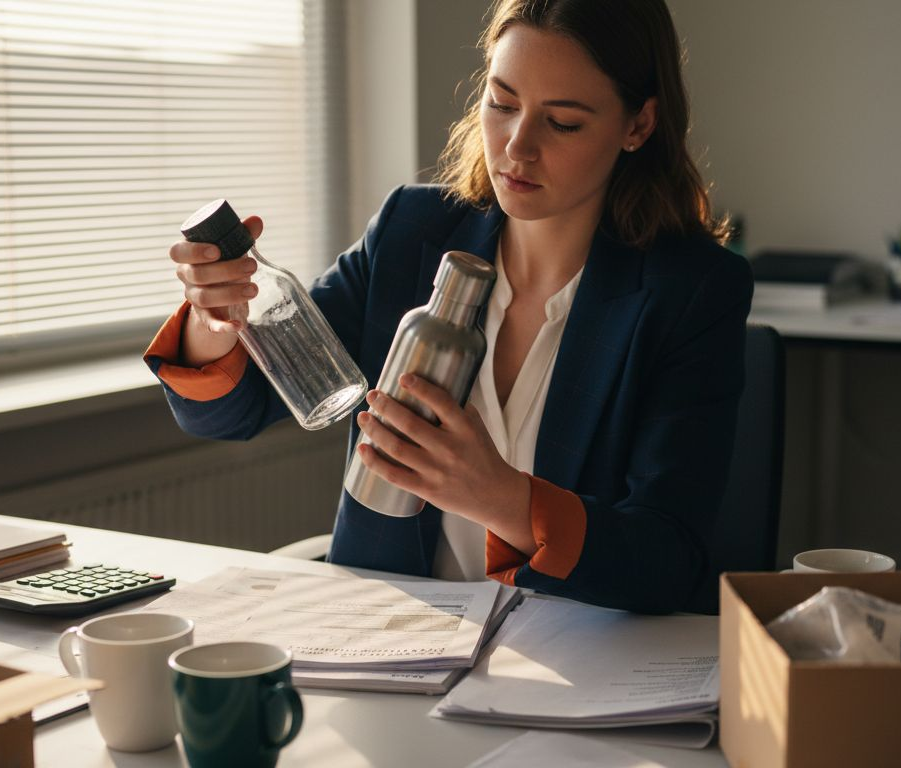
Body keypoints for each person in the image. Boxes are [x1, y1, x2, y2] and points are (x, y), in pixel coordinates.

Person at [145, 0, 752, 614]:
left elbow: (668, 561)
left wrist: (503, 500)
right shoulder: (412, 231)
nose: (518, 146)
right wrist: (216, 319)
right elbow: (232, 414)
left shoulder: (693, 291)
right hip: (391, 637)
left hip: (577, 662)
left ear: (638, 125)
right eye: (503, 102)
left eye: (562, 122)